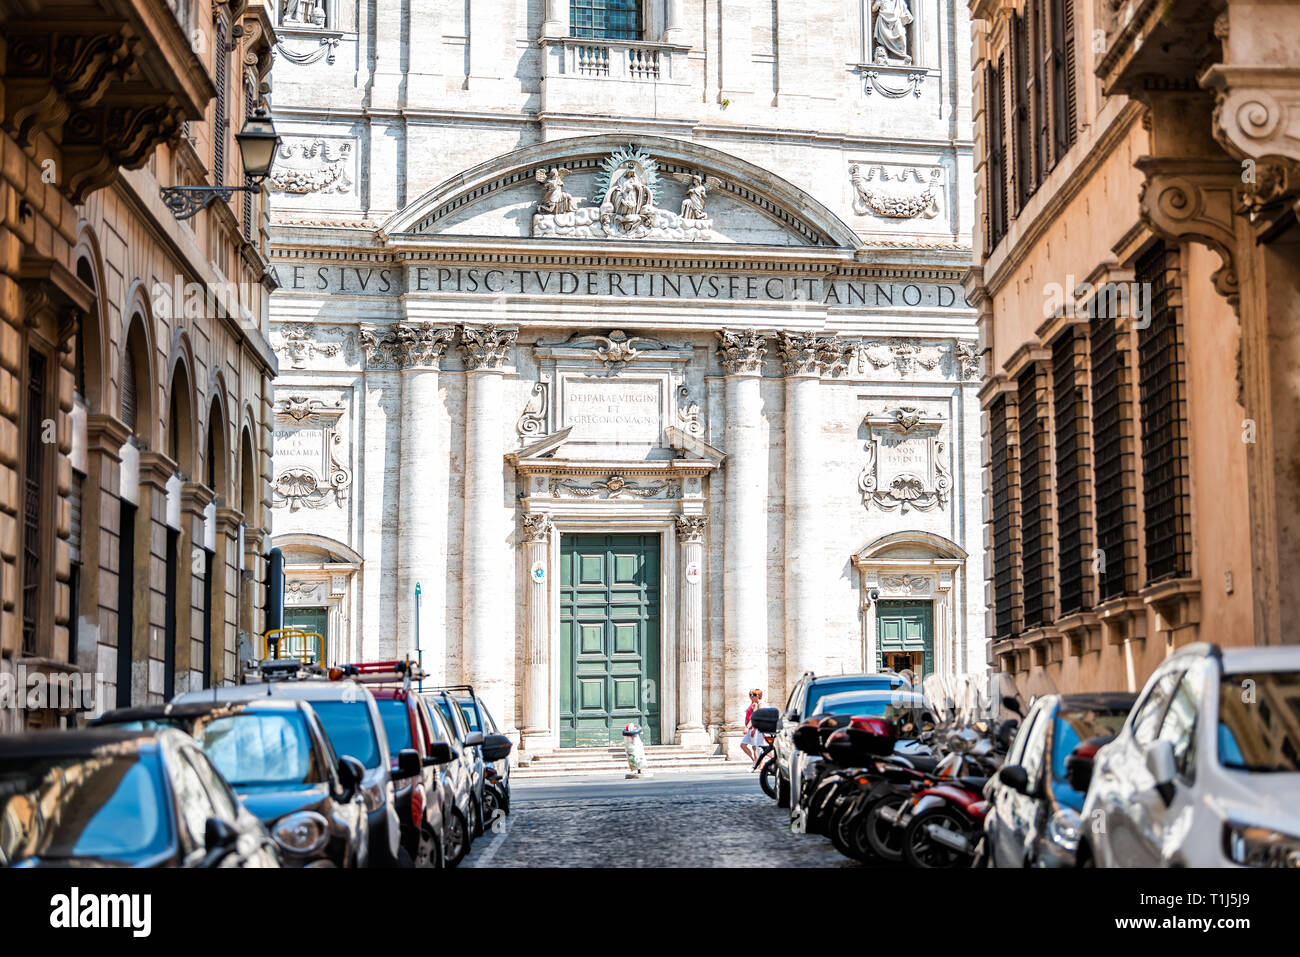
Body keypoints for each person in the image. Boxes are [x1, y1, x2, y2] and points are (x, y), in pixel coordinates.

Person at [741, 689, 765, 767]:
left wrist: (752, 728)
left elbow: (756, 718)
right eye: (750, 695)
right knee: (750, 746)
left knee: (757, 748)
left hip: (755, 728)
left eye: (753, 695)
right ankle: (756, 762)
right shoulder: (754, 704)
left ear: (758, 696)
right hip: (751, 728)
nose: (751, 697)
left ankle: (760, 765)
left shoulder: (758, 704)